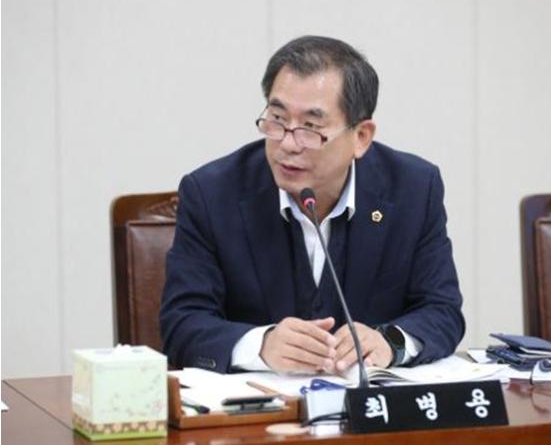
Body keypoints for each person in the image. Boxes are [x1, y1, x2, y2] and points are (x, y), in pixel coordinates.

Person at [160, 35, 465, 375]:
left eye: (311, 127)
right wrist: (261, 345)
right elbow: (181, 323)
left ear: (361, 137)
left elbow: (442, 310)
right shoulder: (212, 194)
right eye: (277, 119)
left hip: (369, 402)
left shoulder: (413, 189)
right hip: (260, 404)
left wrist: (389, 342)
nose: (288, 144)